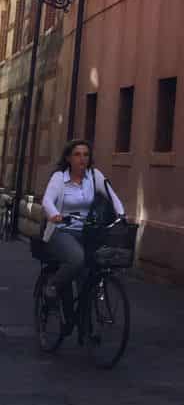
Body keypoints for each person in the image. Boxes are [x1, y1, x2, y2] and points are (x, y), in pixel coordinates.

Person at [41, 139, 126, 334]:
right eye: (77, 155)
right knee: (77, 259)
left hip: (87, 234)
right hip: (61, 231)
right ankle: (52, 286)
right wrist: (54, 214)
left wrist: (121, 214)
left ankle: (84, 325)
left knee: (88, 276)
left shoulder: (94, 177)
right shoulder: (59, 178)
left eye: (86, 155)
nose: (82, 159)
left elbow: (113, 197)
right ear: (68, 158)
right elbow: (47, 200)